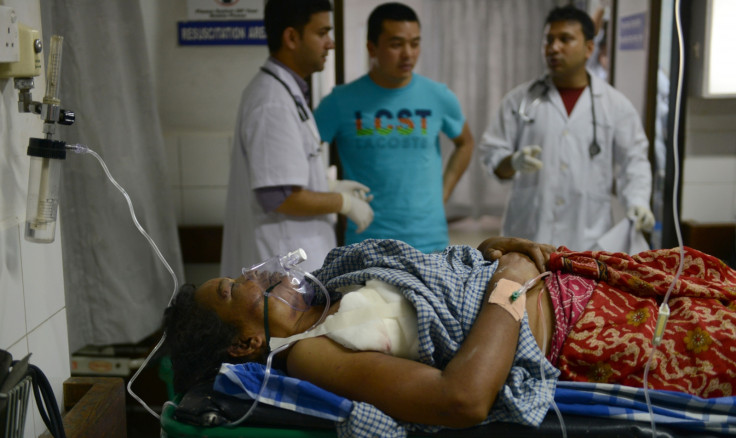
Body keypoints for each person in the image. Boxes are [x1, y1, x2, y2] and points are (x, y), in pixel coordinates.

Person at [164, 236, 736, 436]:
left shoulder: (335, 288)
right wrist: (509, 283)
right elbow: (462, 397)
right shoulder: (310, 354)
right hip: (587, 335)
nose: (252, 275)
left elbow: (434, 283)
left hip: (575, 281)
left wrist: (491, 256)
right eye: (232, 289)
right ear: (242, 344)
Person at [479, 5, 655, 252]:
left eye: (565, 39)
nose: (554, 48)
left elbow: (634, 162)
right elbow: (492, 156)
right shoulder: (519, 100)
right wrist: (513, 162)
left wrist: (638, 202)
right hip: (528, 237)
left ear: (589, 48)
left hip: (589, 240)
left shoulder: (616, 105)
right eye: (549, 40)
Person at [220, 0, 374, 275]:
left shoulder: (286, 92)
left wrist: (329, 185)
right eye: (322, 33)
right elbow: (279, 198)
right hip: (281, 270)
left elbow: (283, 175)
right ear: (292, 37)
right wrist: (343, 203)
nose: (330, 43)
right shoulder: (272, 101)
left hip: (294, 263)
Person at [314, 2, 474, 253]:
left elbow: (465, 143)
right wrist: (330, 189)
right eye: (396, 44)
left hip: (428, 240)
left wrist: (441, 195)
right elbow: (300, 155)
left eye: (415, 43)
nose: (408, 54)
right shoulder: (339, 102)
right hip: (367, 242)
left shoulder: (438, 96)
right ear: (372, 47)